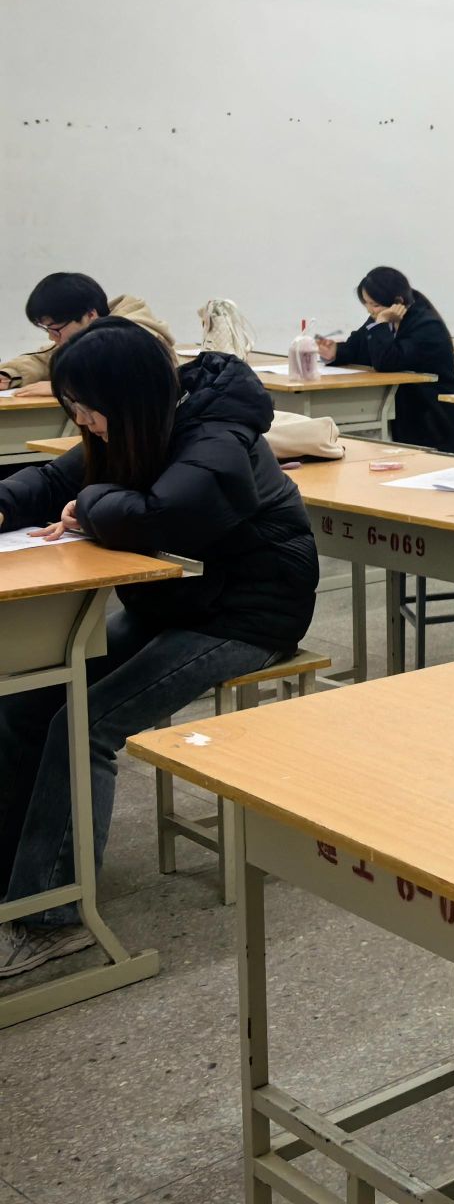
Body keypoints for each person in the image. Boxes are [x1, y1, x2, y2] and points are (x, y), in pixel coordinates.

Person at [0, 321, 317, 978]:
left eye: (86, 407)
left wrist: (90, 503)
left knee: (84, 724)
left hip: (247, 617)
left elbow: (163, 516)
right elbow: (49, 482)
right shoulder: (131, 426)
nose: (81, 422)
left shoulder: (217, 438)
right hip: (174, 607)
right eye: (73, 407)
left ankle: (53, 919)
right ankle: (21, 873)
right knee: (29, 700)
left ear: (127, 397)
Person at [318, 267, 454, 455]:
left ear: (397, 302)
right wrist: (335, 353)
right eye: (366, 304)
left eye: (374, 305)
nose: (370, 310)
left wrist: (381, 322)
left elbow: (387, 362)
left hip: (430, 413)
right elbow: (358, 347)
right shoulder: (383, 315)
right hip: (404, 406)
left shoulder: (427, 326)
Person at [0, 273, 173, 394]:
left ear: (90, 315)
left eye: (55, 329)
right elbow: (48, 359)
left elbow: (130, 380)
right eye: (47, 330)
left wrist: (64, 388)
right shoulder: (90, 334)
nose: (51, 337)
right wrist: (10, 375)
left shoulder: (135, 337)